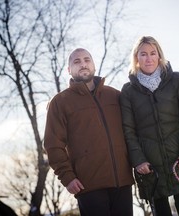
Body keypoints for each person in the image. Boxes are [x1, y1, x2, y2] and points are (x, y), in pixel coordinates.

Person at [44, 48, 134, 216]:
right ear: (69, 70)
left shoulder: (114, 95)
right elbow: (52, 145)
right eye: (76, 61)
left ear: (93, 65)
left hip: (122, 182)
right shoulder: (60, 102)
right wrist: (67, 177)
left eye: (87, 60)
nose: (83, 64)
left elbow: (132, 130)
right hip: (89, 186)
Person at [120, 36, 179, 216]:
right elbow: (128, 130)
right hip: (150, 168)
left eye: (152, 53)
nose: (148, 58)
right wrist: (138, 160)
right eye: (143, 54)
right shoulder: (128, 91)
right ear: (136, 58)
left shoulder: (177, 80)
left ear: (159, 56)